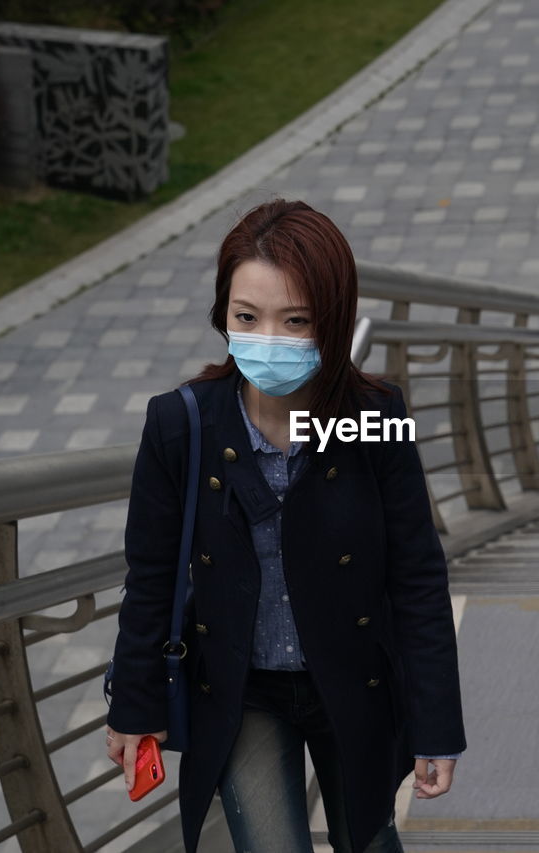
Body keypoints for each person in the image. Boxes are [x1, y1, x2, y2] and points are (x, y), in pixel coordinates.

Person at [105, 199, 467, 853]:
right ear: (224, 314)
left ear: (332, 319)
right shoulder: (180, 424)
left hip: (353, 680)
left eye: (294, 320)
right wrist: (135, 705)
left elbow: (416, 573)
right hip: (244, 691)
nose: (267, 339)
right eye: (247, 317)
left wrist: (435, 722)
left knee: (370, 842)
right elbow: (151, 576)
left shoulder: (375, 415)